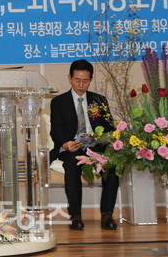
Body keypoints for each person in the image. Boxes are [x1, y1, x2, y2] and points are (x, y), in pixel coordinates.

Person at [50, 59, 119, 230]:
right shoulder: (59, 102)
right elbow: (56, 131)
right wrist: (65, 144)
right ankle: (75, 215)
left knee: (112, 164)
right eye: (77, 80)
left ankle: (107, 214)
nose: (81, 84)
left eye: (85, 80)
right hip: (72, 147)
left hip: (97, 146)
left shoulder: (99, 100)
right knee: (72, 163)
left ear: (91, 79)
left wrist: (103, 139)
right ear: (70, 78)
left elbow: (110, 129)